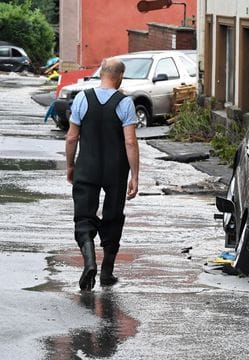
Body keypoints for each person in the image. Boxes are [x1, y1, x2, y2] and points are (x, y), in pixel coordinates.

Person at [65, 57, 139, 291]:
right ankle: (107, 272)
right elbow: (130, 142)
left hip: (87, 166)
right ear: (120, 77)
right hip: (115, 170)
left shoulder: (82, 98)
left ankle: (89, 261)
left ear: (101, 74)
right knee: (113, 216)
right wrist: (135, 175)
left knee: (83, 215)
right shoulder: (124, 103)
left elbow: (71, 137)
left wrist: (70, 165)